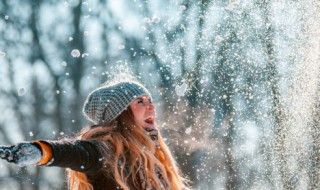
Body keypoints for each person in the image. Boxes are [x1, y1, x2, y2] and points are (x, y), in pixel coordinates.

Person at [0, 80, 190, 190]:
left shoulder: (153, 156)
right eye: (140, 101)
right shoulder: (108, 151)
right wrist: (41, 151)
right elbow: (76, 152)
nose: (151, 106)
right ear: (121, 114)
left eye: (150, 100)